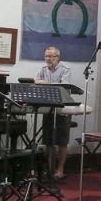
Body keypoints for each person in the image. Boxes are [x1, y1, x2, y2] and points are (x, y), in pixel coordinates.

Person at [35, 46, 72, 180]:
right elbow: (36, 83)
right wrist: (42, 83)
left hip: (62, 108)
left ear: (58, 58)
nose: (48, 59)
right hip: (48, 107)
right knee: (48, 140)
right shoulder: (43, 69)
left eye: (51, 56)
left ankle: (60, 169)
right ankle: (50, 169)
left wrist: (45, 83)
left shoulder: (65, 69)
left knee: (62, 141)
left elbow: (63, 87)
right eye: (46, 56)